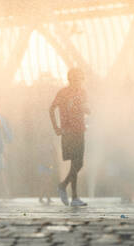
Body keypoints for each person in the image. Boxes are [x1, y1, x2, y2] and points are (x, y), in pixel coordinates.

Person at [49, 68, 90, 207]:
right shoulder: (63, 92)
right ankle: (74, 197)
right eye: (78, 78)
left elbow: (84, 108)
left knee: (79, 163)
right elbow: (51, 108)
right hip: (68, 131)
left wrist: (86, 110)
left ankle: (63, 186)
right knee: (75, 162)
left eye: (81, 79)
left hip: (80, 130)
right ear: (71, 79)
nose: (80, 81)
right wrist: (56, 127)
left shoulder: (82, 92)